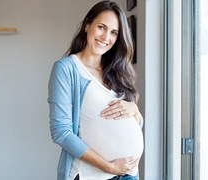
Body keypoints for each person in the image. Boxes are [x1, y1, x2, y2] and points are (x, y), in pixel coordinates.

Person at [48, 1, 144, 180]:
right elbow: (61, 132)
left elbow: (133, 124)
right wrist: (109, 167)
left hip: (128, 174)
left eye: (114, 32)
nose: (106, 37)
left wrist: (135, 110)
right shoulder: (67, 68)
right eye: (101, 27)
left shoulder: (117, 71)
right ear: (87, 25)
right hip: (91, 175)